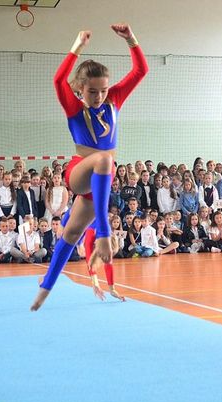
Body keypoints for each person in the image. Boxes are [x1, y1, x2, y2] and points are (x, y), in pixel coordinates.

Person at [31, 24, 147, 310]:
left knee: (71, 234)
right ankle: (104, 234)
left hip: (101, 180)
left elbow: (140, 71)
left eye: (103, 90)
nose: (99, 96)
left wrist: (130, 39)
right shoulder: (74, 107)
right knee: (105, 159)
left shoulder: (114, 100)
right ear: (80, 89)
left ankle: (45, 288)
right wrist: (77, 45)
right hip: (80, 171)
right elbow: (58, 80)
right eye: (92, 91)